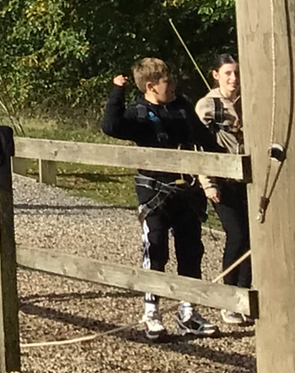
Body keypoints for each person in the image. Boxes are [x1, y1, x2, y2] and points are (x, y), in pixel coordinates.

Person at [103, 59, 219, 341]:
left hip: (186, 193)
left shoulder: (182, 108)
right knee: (155, 250)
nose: (174, 86)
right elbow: (111, 126)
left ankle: (188, 312)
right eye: (168, 82)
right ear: (151, 86)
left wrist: (226, 163)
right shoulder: (139, 114)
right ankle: (151, 313)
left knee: (191, 252)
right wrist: (117, 92)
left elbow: (205, 139)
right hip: (155, 194)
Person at [194, 52, 253, 325]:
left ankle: (245, 295)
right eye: (228, 73)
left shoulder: (250, 100)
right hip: (223, 181)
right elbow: (199, 148)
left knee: (253, 239)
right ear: (216, 75)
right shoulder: (207, 106)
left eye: (237, 73)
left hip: (249, 181)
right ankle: (228, 297)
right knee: (237, 234)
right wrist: (208, 184)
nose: (234, 78)